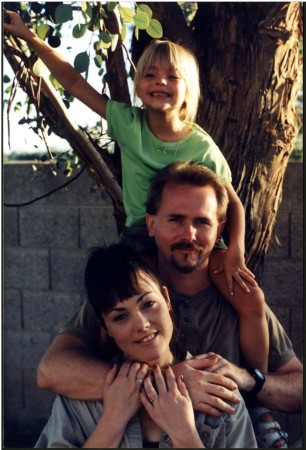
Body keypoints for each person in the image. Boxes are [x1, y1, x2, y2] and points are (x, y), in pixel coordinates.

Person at [4, 10, 269, 372]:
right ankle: (109, 384)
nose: (160, 81)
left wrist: (235, 252)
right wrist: (30, 37)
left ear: (187, 88)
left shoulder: (202, 147)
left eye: (171, 76)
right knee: (120, 302)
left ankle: (259, 396)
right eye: (150, 74)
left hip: (194, 238)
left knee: (251, 300)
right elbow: (75, 83)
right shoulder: (128, 124)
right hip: (139, 237)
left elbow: (233, 204)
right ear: (138, 83)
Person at [36, 162, 302, 448]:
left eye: (202, 222)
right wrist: (171, 382)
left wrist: (245, 379)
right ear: (151, 224)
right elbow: (51, 370)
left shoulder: (241, 298)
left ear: (219, 228)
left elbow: (297, 389)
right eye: (176, 219)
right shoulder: (126, 293)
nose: (189, 235)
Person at [35, 243, 257, 448]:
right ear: (107, 329)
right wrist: (112, 421)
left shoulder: (217, 393)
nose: (141, 324)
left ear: (167, 300)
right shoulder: (78, 401)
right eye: (120, 317)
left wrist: (184, 433)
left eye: (149, 304)